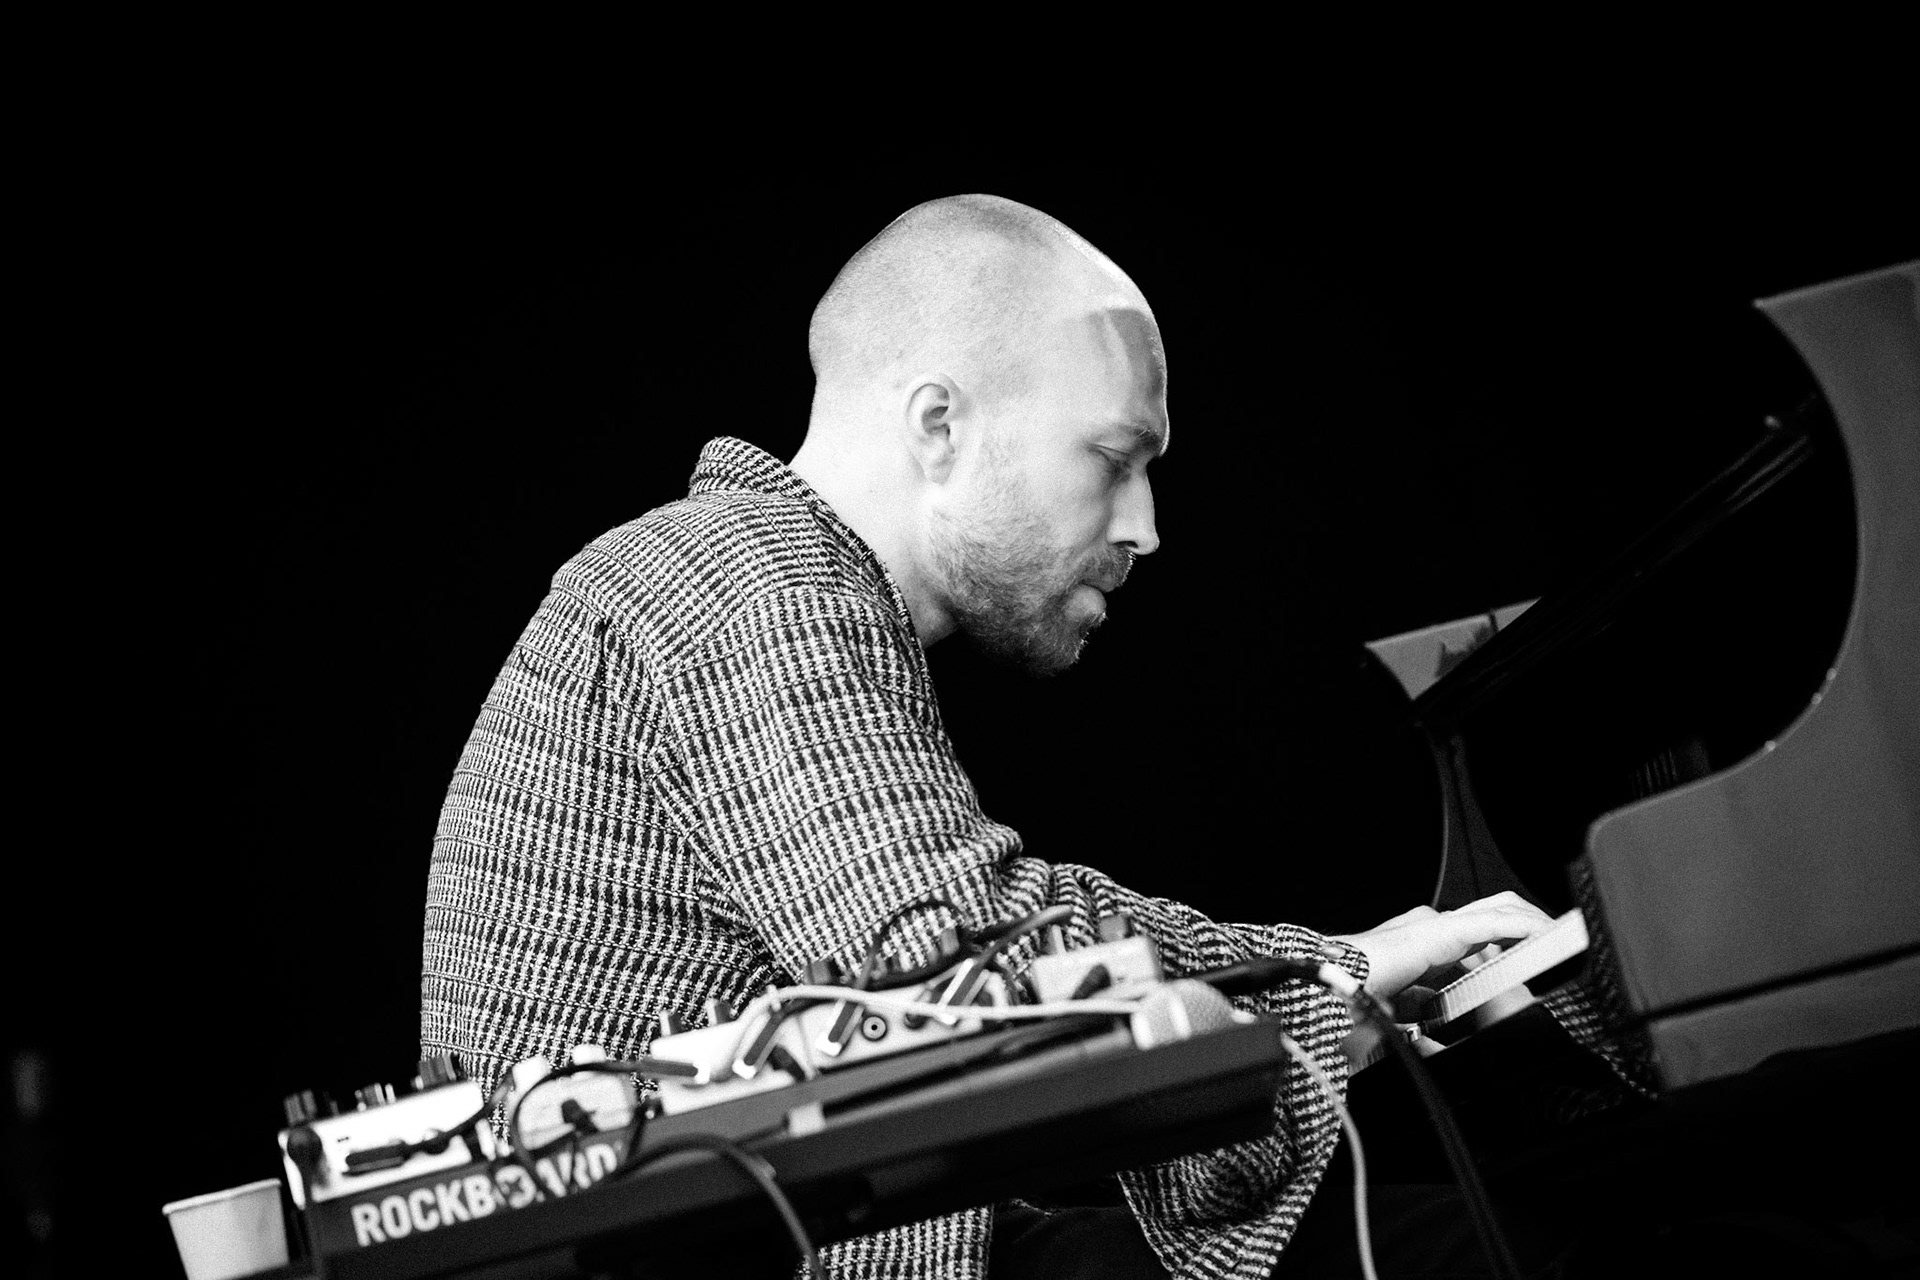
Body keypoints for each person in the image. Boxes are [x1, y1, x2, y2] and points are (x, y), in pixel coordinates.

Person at [419, 193, 1571, 1278]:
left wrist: (1337, 961)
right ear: (939, 423)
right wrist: (1338, 991)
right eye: (1114, 459)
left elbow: (992, 912)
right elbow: (974, 975)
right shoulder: (745, 582)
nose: (1147, 527)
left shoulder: (753, 582)